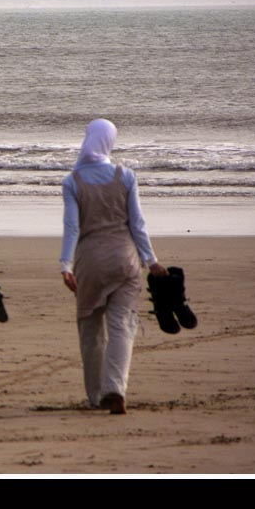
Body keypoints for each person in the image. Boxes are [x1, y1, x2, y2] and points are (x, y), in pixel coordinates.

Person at [60, 118, 167, 415]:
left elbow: (71, 228)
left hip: (89, 262)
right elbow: (138, 224)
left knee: (91, 329)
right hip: (125, 260)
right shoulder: (126, 176)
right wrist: (151, 260)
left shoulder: (72, 181)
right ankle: (115, 389)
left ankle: (95, 397)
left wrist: (65, 265)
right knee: (122, 327)